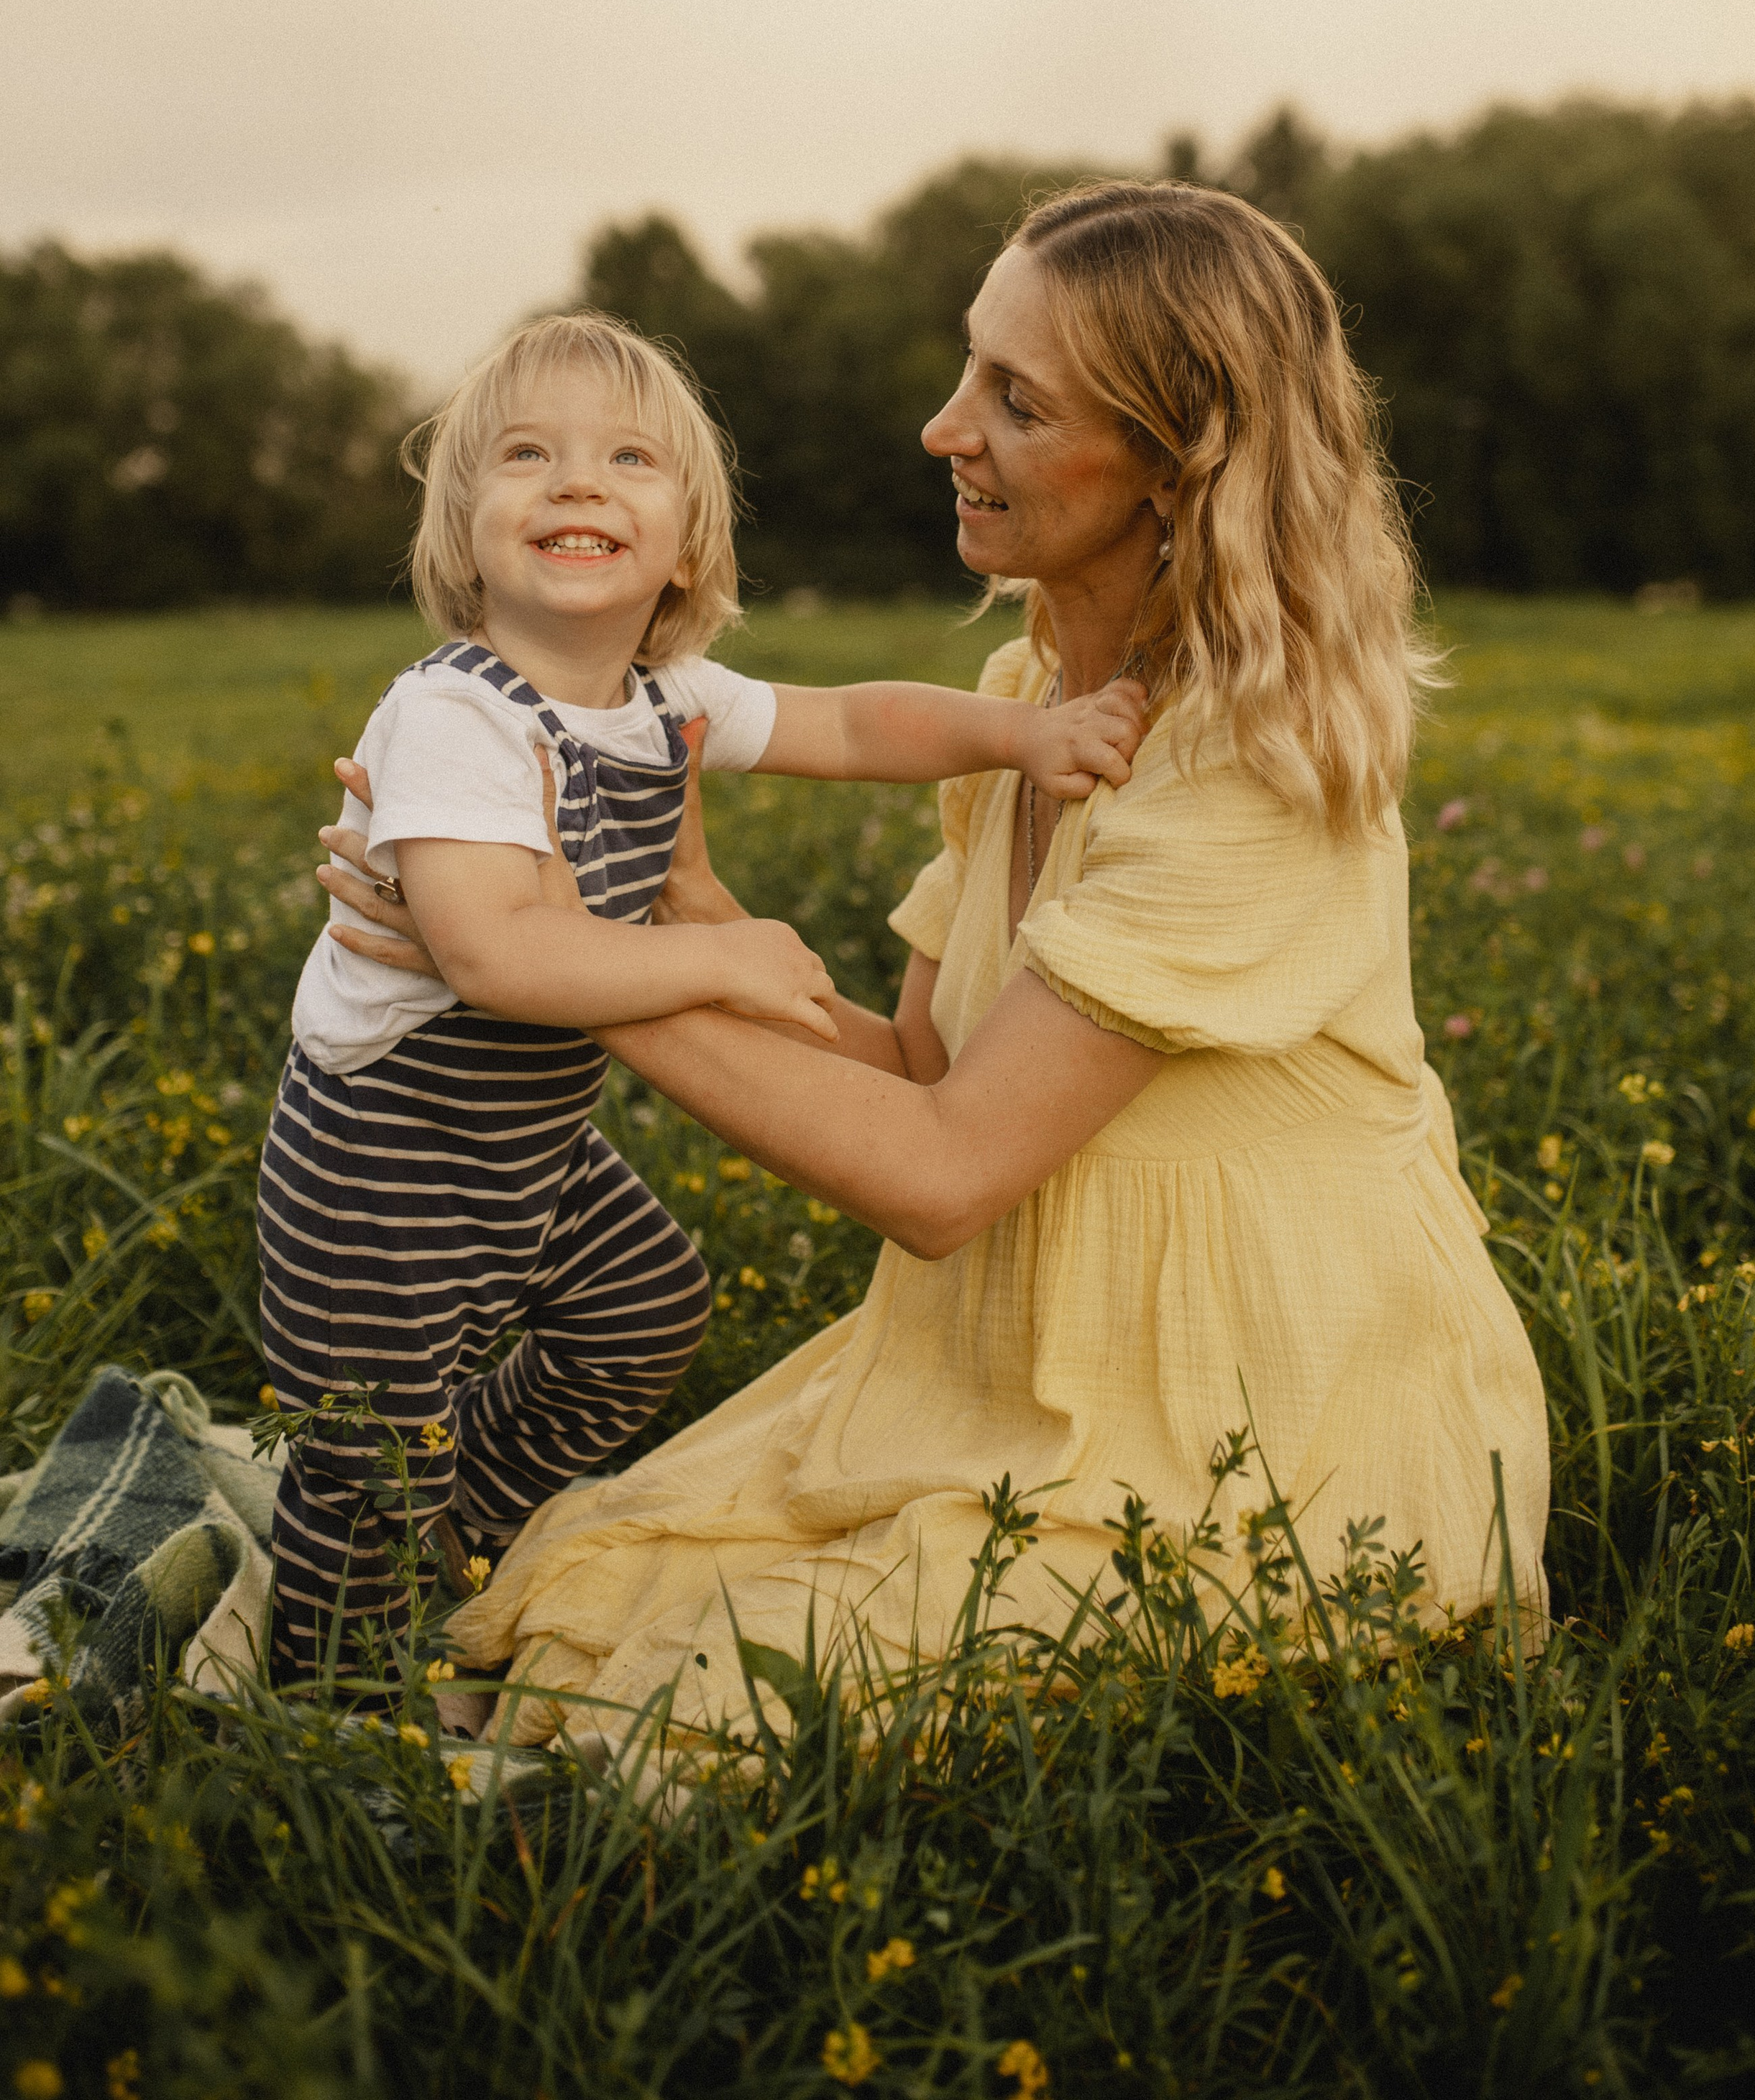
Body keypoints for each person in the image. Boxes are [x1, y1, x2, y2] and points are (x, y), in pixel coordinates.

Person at [319, 186, 1550, 1746]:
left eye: (1012, 400)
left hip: (1261, 1421)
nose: (938, 426)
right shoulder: (1029, 695)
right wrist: (680, 908)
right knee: (579, 1592)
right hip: (1009, 1365)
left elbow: (941, 1169)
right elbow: (918, 1071)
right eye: (970, 368)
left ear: (1180, 460)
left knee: (690, 1700)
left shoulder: (1253, 764)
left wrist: (529, 953)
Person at [262, 308, 1145, 1683]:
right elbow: (495, 956)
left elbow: (854, 722)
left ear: (684, 545)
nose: (576, 483)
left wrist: (1024, 733)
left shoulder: (662, 697)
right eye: (526, 456)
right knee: (373, 1441)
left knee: (644, 1312)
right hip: (389, 1158)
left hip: (532, 1144)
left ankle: (456, 1524)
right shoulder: (457, 716)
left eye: (628, 458)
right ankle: (325, 1692)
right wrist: (719, 953)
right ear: (460, 530)